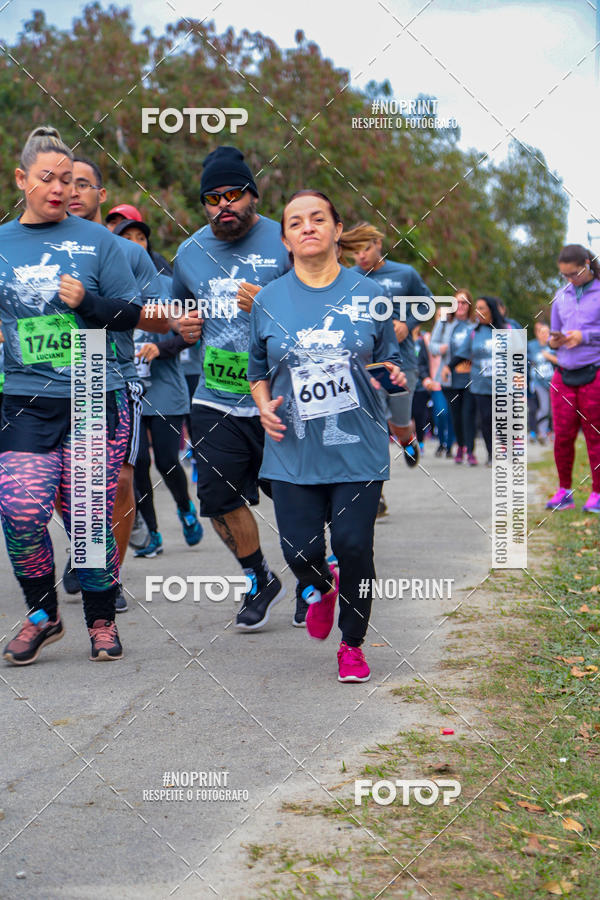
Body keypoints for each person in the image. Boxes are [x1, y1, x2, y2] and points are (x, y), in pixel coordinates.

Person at [248, 189, 405, 682]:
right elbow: (257, 369)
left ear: (338, 230)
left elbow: (390, 363)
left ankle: (353, 645)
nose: (308, 227)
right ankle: (318, 587)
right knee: (300, 553)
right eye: (296, 222)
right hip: (293, 449)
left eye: (318, 219)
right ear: (286, 239)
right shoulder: (268, 299)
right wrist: (261, 405)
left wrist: (393, 379)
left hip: (357, 446)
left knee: (355, 546)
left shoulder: (371, 295)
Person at [0, 125, 141, 665]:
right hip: (25, 398)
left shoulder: (99, 242)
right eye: (45, 179)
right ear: (22, 179)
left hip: (90, 392)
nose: (58, 189)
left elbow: (130, 316)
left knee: (87, 519)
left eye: (66, 179)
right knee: (19, 509)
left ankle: (101, 621)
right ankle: (43, 614)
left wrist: (87, 302)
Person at [172, 146, 291, 629]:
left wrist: (272, 302)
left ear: (253, 195)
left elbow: (322, 306)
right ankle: (259, 577)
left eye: (233, 194)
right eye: (212, 198)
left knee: (296, 497)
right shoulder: (189, 253)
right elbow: (176, 313)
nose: (224, 205)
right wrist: (181, 327)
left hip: (283, 395)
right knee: (218, 499)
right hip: (216, 396)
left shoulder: (284, 242)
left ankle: (312, 576)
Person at [64, 155, 170, 612]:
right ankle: (87, 546)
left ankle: (109, 576)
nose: (72, 191)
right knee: (53, 485)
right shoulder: (33, 247)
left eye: (83, 183)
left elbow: (163, 320)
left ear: (100, 195)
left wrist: (100, 306)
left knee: (121, 481)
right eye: (65, 181)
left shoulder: (129, 252)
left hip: (113, 376)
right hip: (50, 382)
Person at [346, 222, 431, 467]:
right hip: (366, 363)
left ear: (378, 244)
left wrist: (408, 323)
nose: (361, 256)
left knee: (398, 424)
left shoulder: (405, 274)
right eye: (356, 251)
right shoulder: (350, 277)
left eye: (366, 249)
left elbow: (428, 303)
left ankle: (407, 440)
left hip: (401, 363)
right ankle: (374, 488)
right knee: (374, 423)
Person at [133, 281, 203, 557]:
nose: (134, 243)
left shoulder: (162, 292)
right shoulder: (108, 289)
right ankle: (151, 533)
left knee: (166, 461)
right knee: (137, 463)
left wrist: (160, 349)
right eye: (129, 237)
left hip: (165, 392)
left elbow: (189, 335)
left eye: (140, 237)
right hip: (129, 391)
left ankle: (185, 508)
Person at [546, 245, 600, 512]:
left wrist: (586, 336)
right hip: (564, 375)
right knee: (562, 436)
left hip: (594, 372)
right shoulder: (561, 296)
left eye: (574, 274)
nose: (570, 280)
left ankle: (598, 493)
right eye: (565, 275)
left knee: (595, 436)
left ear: (587, 264)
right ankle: (564, 491)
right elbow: (554, 335)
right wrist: (553, 340)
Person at [450, 296, 508, 467]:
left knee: (504, 418)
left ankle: (506, 448)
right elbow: (462, 353)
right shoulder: (474, 332)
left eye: (482, 308)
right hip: (481, 384)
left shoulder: (509, 327)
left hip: (505, 384)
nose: (478, 312)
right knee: (486, 419)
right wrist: (448, 367)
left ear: (491, 309)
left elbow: (520, 354)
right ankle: (491, 454)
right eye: (476, 308)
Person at [431, 289, 477, 464]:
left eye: (464, 303)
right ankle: (460, 446)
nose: (461, 306)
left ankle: (470, 451)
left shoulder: (474, 325)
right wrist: (440, 348)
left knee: (469, 414)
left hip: (470, 377)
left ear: (469, 306)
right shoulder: (444, 323)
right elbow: (432, 346)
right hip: (449, 377)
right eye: (457, 302)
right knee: (456, 415)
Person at [106, 205, 173, 275]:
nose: (117, 226)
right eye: (113, 223)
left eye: (124, 221)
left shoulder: (156, 260)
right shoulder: (101, 257)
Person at [528, 321, 556, 444]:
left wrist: (549, 357)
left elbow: (561, 361)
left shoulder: (554, 345)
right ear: (537, 334)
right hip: (538, 383)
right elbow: (524, 362)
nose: (545, 335)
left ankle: (554, 433)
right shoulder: (531, 346)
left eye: (547, 333)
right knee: (543, 408)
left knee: (553, 409)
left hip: (554, 383)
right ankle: (541, 432)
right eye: (542, 332)